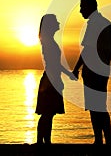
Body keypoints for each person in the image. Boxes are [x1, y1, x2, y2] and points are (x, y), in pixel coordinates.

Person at [73, 0, 111, 145]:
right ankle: (104, 140)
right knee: (98, 106)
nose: (80, 11)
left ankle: (101, 140)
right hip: (101, 71)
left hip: (94, 72)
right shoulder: (106, 23)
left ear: (90, 7)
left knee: (96, 107)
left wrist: (76, 68)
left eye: (82, 7)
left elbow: (87, 50)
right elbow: (109, 51)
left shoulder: (95, 24)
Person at [35, 14, 76, 145]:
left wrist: (67, 74)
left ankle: (46, 141)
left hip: (50, 78)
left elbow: (56, 63)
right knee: (47, 112)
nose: (59, 23)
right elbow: (54, 64)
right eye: (56, 21)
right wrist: (63, 77)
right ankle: (41, 141)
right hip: (51, 80)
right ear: (50, 25)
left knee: (49, 112)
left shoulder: (49, 41)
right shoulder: (49, 42)